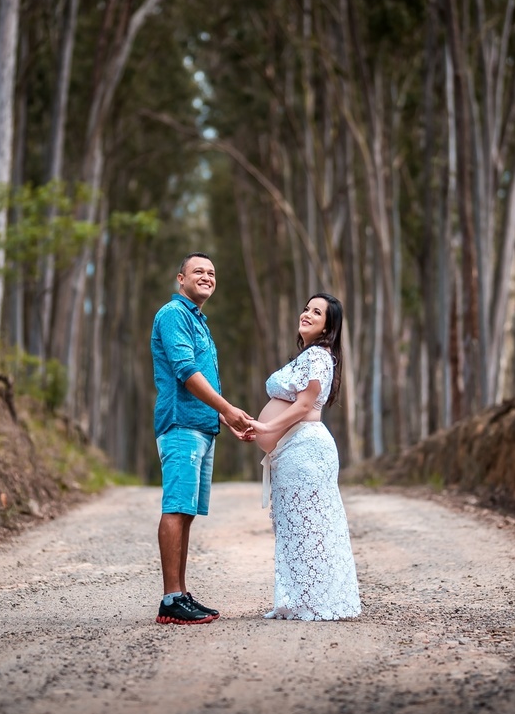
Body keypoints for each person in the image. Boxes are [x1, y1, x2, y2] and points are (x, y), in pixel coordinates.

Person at [150, 252, 254, 625]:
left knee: (187, 511)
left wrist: (220, 417)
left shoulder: (197, 320)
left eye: (212, 272)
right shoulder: (173, 315)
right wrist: (228, 408)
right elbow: (186, 371)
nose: (207, 277)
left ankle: (179, 593)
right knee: (176, 506)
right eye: (198, 271)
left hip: (202, 426)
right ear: (180, 278)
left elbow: (203, 378)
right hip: (180, 425)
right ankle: (170, 599)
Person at [249, 293, 362, 621]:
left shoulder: (318, 356)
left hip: (306, 452)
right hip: (295, 452)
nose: (307, 314)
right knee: (298, 528)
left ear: (329, 326)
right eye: (307, 308)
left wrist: (262, 425)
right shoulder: (311, 356)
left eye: (317, 312)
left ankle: (317, 602)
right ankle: (301, 600)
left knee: (311, 527)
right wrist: (261, 429)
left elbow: (302, 406)